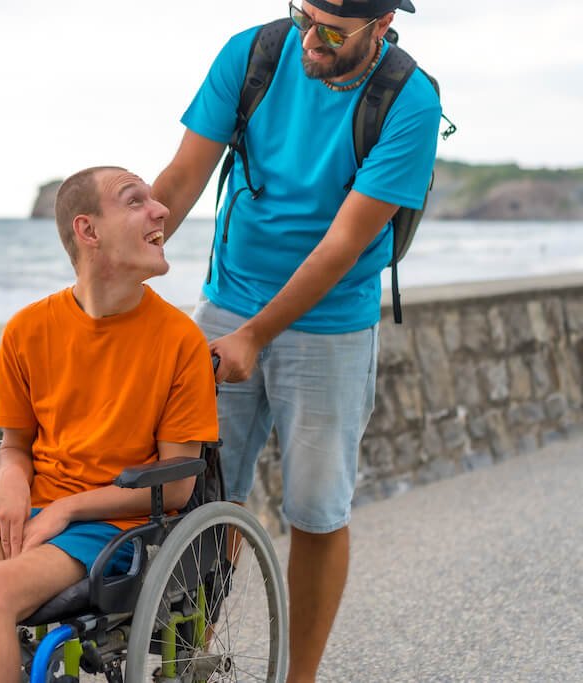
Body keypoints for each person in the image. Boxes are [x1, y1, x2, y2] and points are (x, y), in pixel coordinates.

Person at [150, 1, 442, 680]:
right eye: (302, 14)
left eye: (332, 31)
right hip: (228, 299)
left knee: (315, 505)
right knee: (201, 492)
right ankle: (185, 655)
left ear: (382, 27)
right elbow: (183, 176)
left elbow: (342, 245)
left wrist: (259, 334)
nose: (309, 38)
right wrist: (115, 273)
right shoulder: (251, 55)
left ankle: (298, 676)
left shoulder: (409, 101)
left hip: (331, 323)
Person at [0, 166, 219, 683]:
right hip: (30, 515)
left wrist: (68, 509)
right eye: (134, 200)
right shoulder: (29, 329)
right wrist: (12, 481)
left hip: (111, 528)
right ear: (89, 231)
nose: (161, 210)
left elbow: (176, 485)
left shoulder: (179, 341)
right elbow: (15, 445)